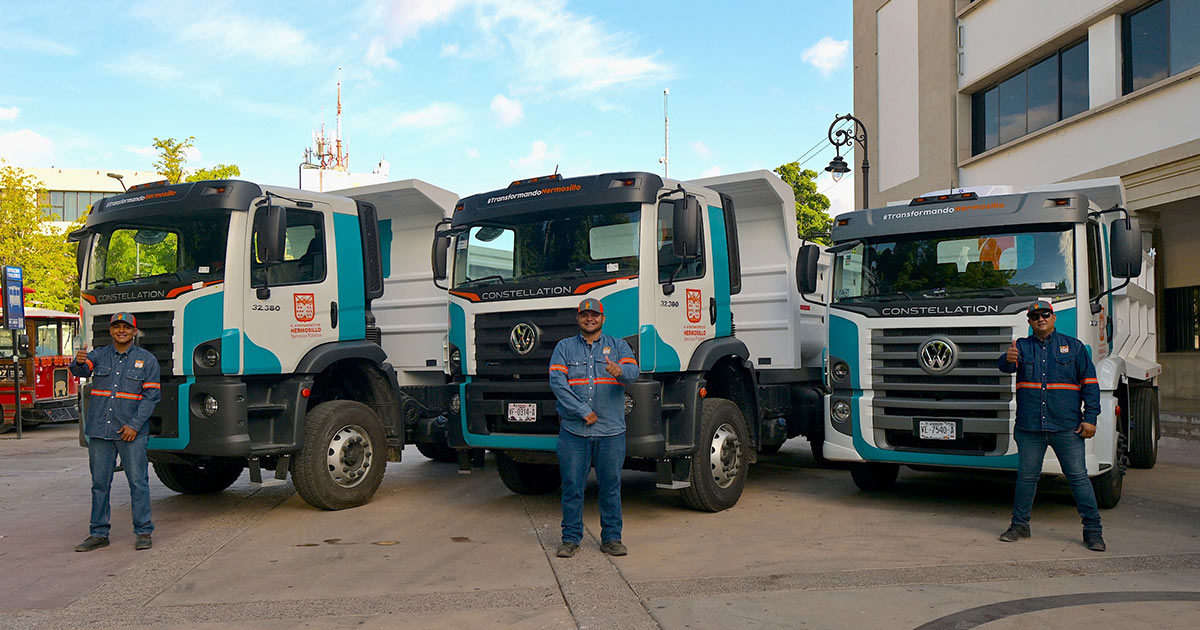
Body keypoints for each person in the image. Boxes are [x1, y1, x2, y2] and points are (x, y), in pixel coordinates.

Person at [998, 300, 1105, 552]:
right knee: (1026, 479)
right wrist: (1006, 358)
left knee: (1078, 478)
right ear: (1029, 322)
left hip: (1066, 427)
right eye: (1035, 316)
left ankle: (1093, 531)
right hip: (1030, 428)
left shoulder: (1075, 347)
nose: (1040, 319)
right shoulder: (1021, 348)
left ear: (1053, 318)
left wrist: (1090, 418)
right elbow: (1004, 367)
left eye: (1045, 314)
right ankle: (1020, 525)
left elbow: (1090, 384)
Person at [548, 298, 639, 558]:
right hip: (574, 432)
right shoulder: (564, 347)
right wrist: (582, 411)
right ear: (578, 319)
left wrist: (619, 370)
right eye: (585, 315)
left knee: (610, 486)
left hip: (611, 433)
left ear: (603, 318)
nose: (590, 319)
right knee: (572, 486)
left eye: (595, 315)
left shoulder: (618, 346)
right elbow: (557, 383)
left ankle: (612, 539)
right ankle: (570, 539)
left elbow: (634, 374)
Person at [70, 312, 161, 552]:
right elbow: (80, 371)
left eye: (126, 327)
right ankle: (98, 533)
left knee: (138, 482)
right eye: (117, 327)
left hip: (132, 432)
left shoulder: (147, 360)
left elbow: (152, 396)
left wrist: (134, 425)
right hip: (101, 430)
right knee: (100, 483)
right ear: (111, 331)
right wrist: (78, 362)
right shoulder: (98, 356)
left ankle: (143, 531)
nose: (121, 330)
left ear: (134, 331)